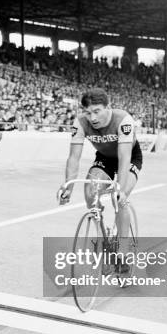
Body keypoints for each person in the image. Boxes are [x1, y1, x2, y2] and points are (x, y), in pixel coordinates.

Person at [57, 87, 142, 270]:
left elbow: (125, 157)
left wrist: (120, 188)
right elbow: (74, 157)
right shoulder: (80, 123)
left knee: (119, 199)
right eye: (88, 113)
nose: (92, 118)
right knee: (90, 192)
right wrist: (67, 188)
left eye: (97, 111)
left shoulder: (123, 119)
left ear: (108, 107)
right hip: (104, 158)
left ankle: (123, 250)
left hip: (128, 156)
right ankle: (103, 237)